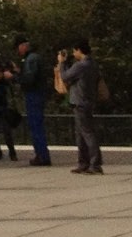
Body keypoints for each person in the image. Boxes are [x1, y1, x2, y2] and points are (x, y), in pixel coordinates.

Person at [54, 41, 103, 175]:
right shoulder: (93, 64)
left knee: (87, 133)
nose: (74, 54)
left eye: (75, 51)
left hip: (80, 102)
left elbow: (65, 76)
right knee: (81, 134)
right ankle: (83, 163)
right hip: (89, 101)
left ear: (79, 50)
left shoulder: (81, 65)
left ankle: (94, 164)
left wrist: (62, 62)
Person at [13, 36, 50, 166]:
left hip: (34, 94)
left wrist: (14, 76)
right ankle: (41, 154)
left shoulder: (31, 59)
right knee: (37, 125)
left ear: (23, 46)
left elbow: (29, 79)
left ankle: (41, 155)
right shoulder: (34, 58)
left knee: (35, 126)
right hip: (37, 94)